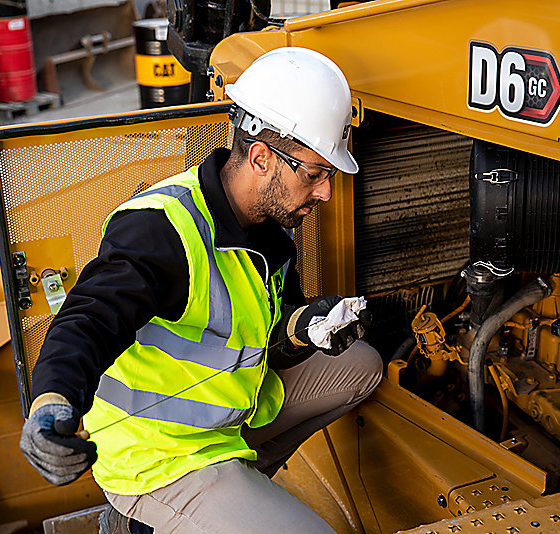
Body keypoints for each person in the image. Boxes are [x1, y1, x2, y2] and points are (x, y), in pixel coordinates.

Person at [19, 47, 383, 534]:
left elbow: (267, 328)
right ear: (260, 158)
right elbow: (88, 317)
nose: (325, 193)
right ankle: (144, 517)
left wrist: (308, 325)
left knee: (361, 365)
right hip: (159, 455)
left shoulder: (270, 230)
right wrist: (51, 403)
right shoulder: (161, 229)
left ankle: (232, 497)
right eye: (315, 174)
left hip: (226, 420)